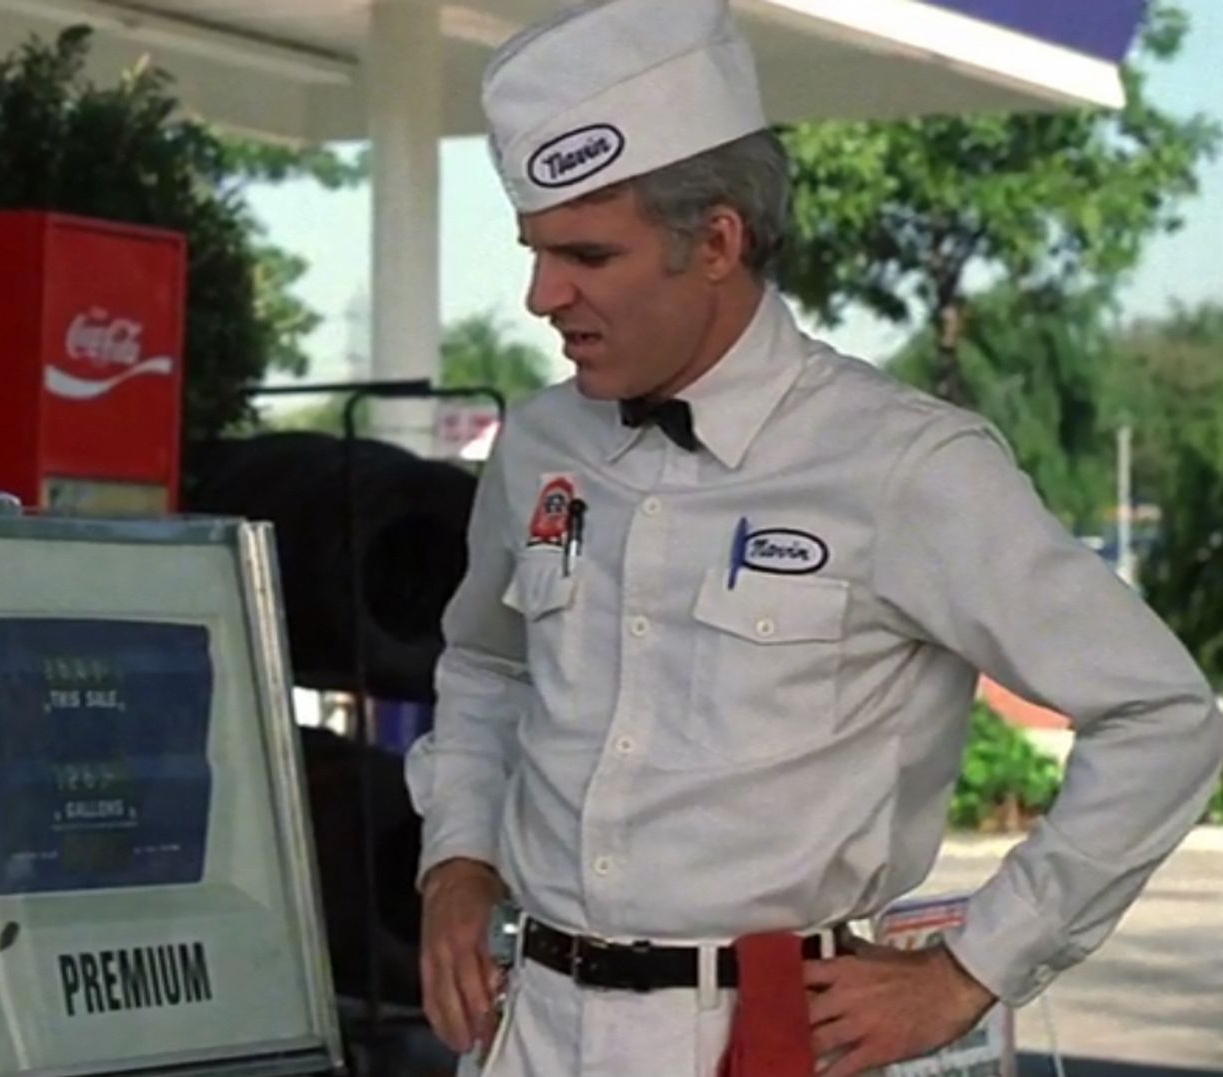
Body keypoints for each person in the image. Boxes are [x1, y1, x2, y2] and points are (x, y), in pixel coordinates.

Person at [403, 0, 1223, 1074]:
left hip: (772, 1040)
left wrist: (969, 969)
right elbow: (482, 664)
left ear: (716, 243)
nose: (539, 295)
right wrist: (455, 857)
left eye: (586, 255)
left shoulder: (901, 465)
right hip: (527, 1030)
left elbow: (1160, 714)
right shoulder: (539, 444)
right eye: (535, 251)